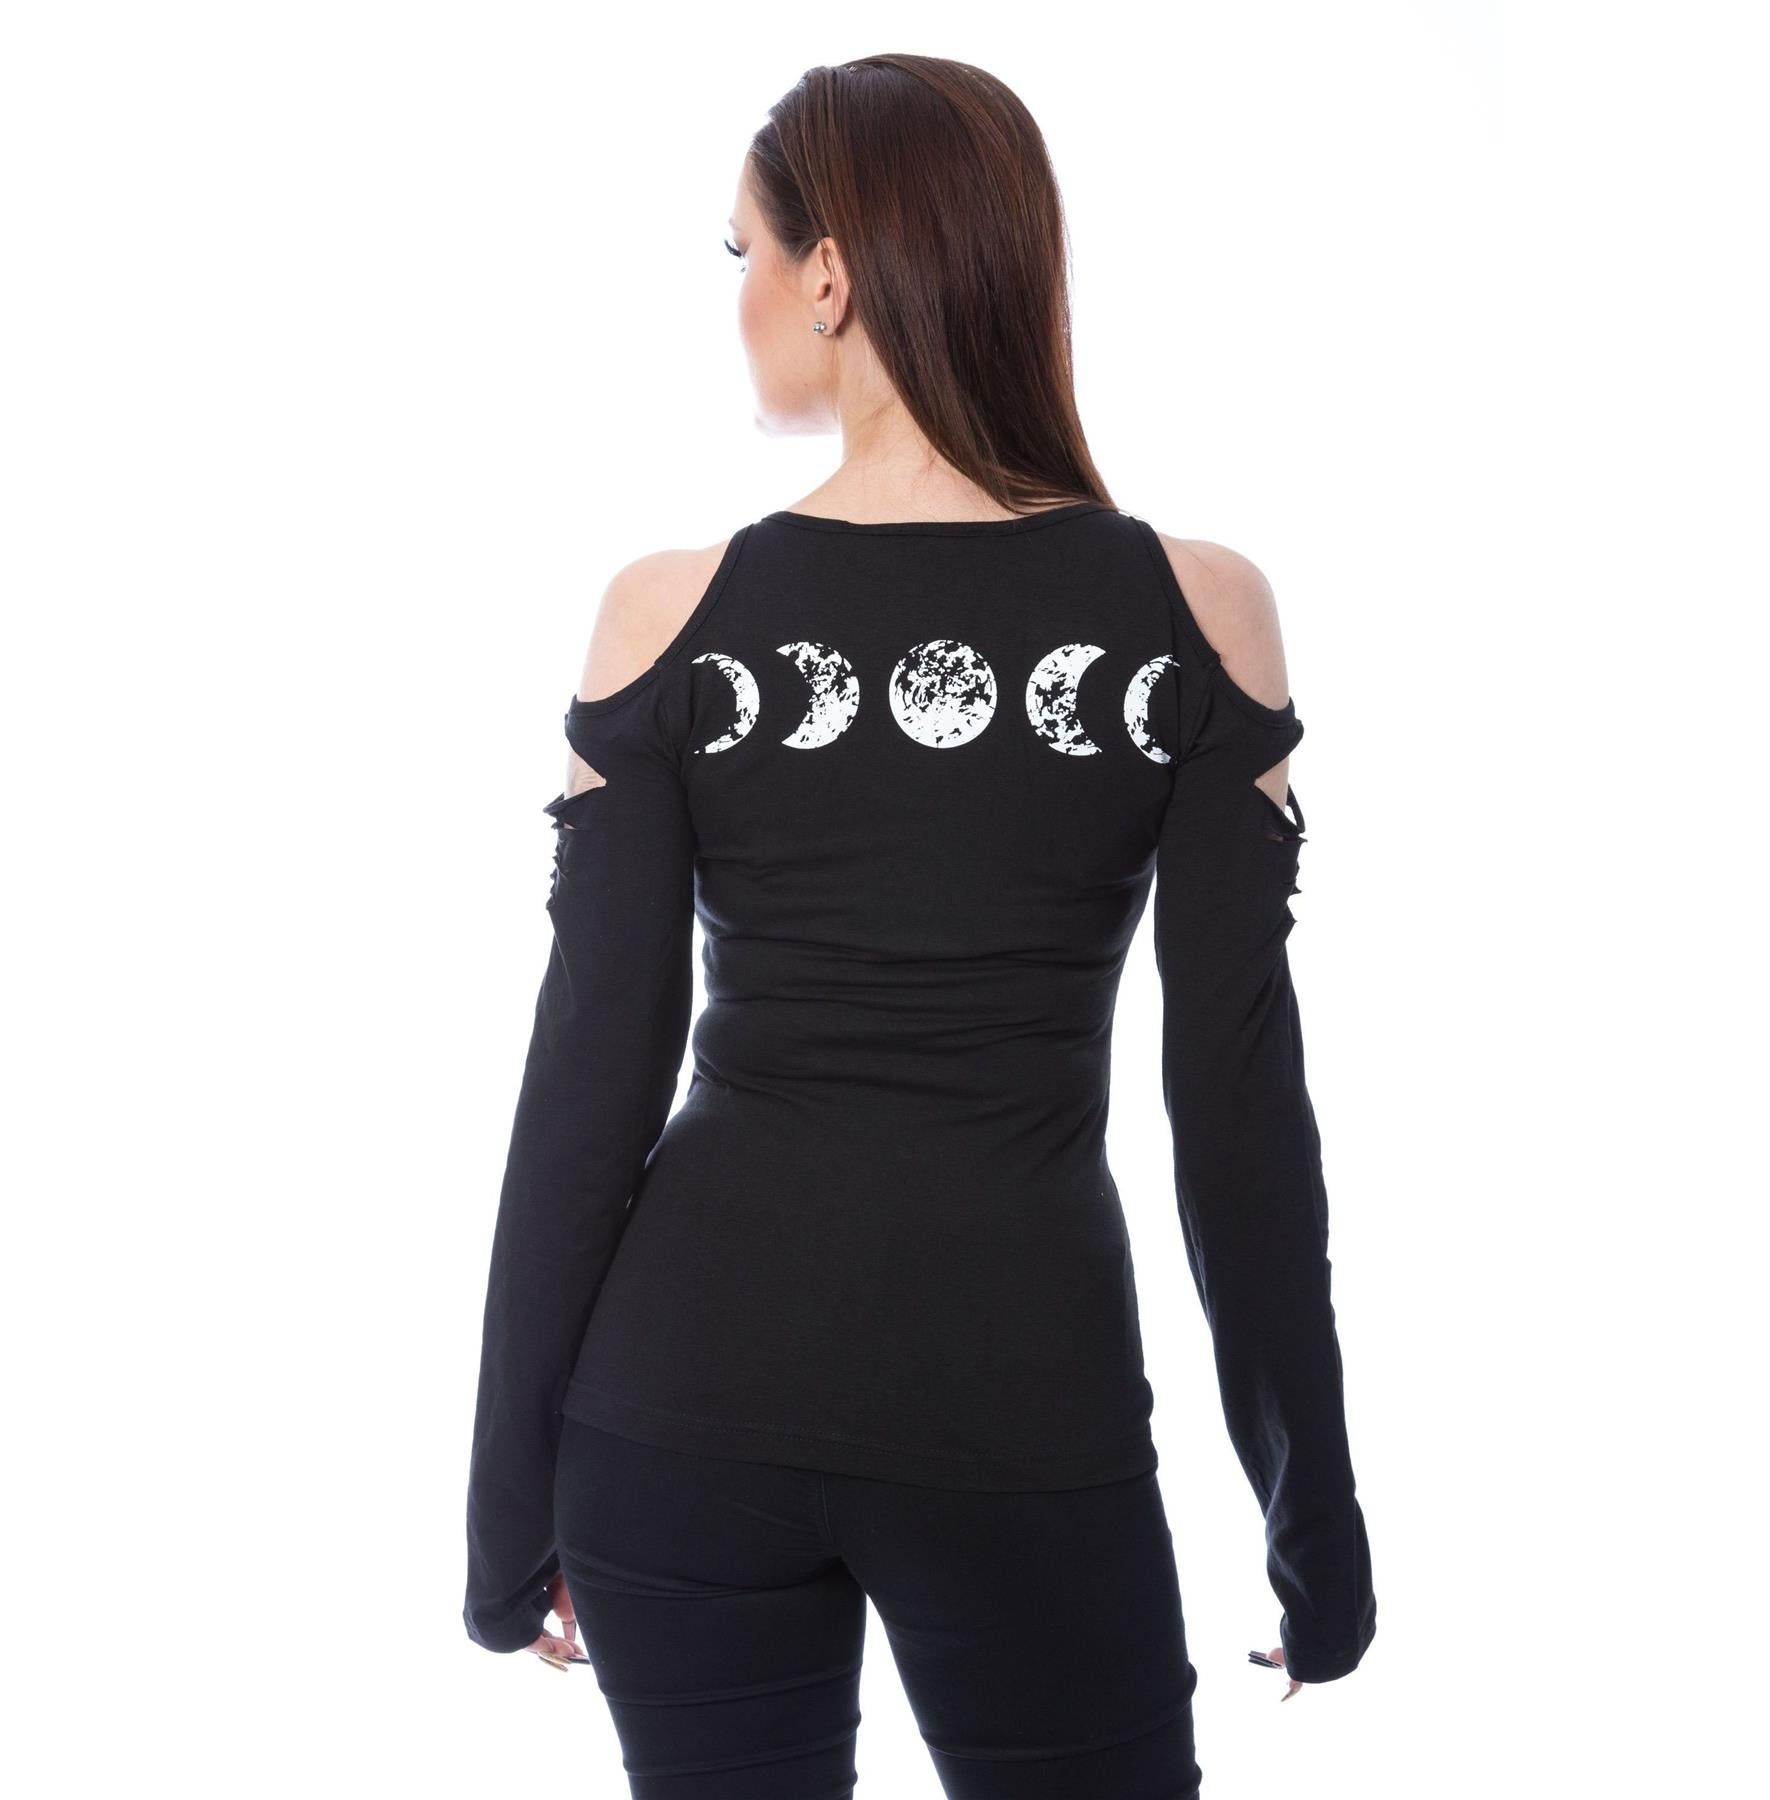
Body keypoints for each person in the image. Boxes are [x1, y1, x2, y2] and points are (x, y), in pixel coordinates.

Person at [463, 52, 1376, 1799]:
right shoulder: (1196, 611)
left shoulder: (668, 620)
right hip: (1015, 1404)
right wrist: (1312, 1520)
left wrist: (506, 1523)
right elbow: (1239, 1115)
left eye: (739, 252)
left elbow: (587, 1095)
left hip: (676, 1414)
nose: (736, 294)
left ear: (829, 275)